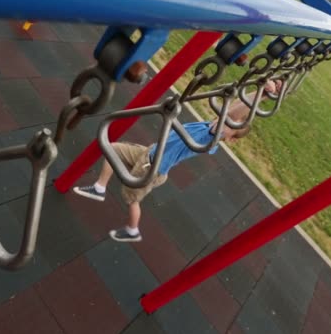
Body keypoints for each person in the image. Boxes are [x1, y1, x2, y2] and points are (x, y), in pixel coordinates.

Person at [72, 79, 281, 242]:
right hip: (149, 153)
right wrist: (260, 95)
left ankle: (132, 229)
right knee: (114, 149)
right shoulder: (211, 124)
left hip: (152, 167)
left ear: (231, 139)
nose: (227, 121)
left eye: (232, 126)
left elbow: (233, 114)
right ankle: (100, 187)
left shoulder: (210, 138)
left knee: (132, 199)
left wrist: (262, 94)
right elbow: (233, 110)